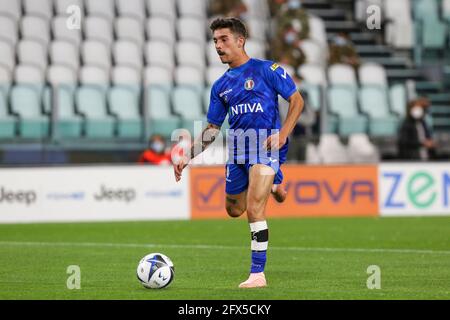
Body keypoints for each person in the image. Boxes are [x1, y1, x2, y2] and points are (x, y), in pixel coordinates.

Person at [173, 18, 304, 288]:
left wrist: (283, 133)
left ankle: (258, 274)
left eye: (223, 40)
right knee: (234, 209)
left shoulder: (268, 70)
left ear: (240, 41)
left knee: (254, 210)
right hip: (238, 152)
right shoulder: (221, 86)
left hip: (266, 147)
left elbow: (297, 100)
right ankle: (275, 184)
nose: (218, 46)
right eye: (215, 41)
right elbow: (211, 129)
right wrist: (187, 156)